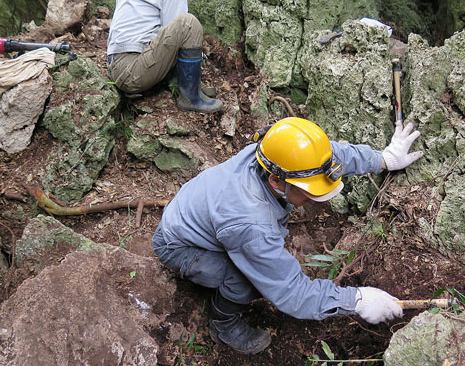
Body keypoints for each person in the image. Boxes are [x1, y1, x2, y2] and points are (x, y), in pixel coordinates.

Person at [153, 117, 423, 354]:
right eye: (310, 191)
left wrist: (383, 159)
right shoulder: (251, 225)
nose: (317, 198)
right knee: (247, 281)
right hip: (179, 246)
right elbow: (291, 293)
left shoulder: (276, 154)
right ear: (276, 182)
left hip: (198, 216)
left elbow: (330, 158)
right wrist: (356, 301)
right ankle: (223, 325)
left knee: (253, 261)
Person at [107, 0, 223, 113]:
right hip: (133, 72)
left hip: (115, 65)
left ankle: (190, 89)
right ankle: (191, 97)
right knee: (188, 24)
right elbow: (178, 40)